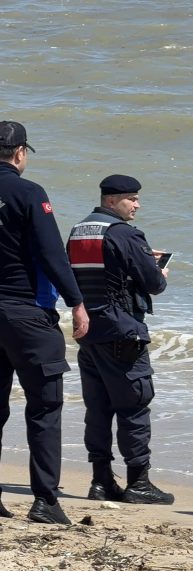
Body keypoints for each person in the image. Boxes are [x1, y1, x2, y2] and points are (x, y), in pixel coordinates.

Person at [0, 120, 89, 524]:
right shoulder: (29, 192)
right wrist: (77, 302)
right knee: (44, 405)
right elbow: (52, 253)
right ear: (20, 153)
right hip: (25, 314)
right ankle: (46, 501)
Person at [66, 174, 174, 505]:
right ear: (111, 201)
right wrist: (159, 271)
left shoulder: (78, 231)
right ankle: (138, 483)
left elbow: (84, 274)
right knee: (134, 406)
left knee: (97, 409)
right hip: (123, 332)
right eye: (131, 198)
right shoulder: (125, 233)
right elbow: (154, 284)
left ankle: (100, 481)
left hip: (90, 333)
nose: (137, 204)